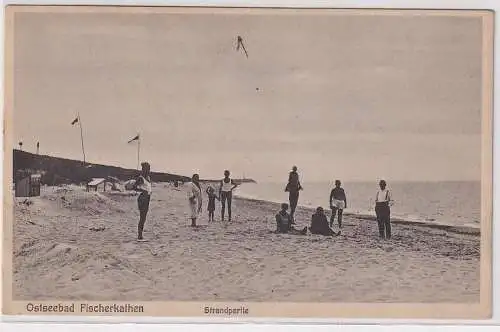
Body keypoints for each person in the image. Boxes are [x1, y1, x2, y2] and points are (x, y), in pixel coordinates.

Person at [134, 162, 152, 242]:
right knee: (142, 216)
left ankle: (140, 235)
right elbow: (134, 187)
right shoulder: (140, 178)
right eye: (147, 169)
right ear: (143, 169)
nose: (148, 170)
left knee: (144, 217)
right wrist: (143, 190)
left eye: (149, 168)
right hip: (142, 198)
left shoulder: (148, 177)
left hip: (147, 198)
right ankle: (139, 236)